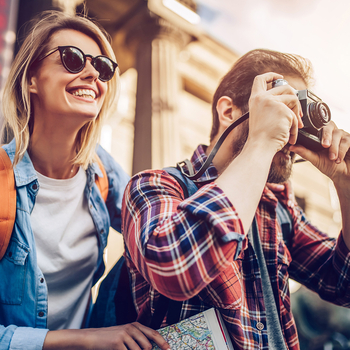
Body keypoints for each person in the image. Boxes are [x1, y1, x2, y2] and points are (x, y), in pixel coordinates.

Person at [122, 48, 350, 349]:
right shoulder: (156, 185)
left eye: (297, 117)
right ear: (228, 111)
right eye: (282, 110)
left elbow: (343, 285)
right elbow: (175, 268)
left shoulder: (278, 208)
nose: (290, 132)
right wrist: (262, 141)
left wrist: (345, 183)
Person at [0, 10, 169, 350]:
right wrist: (82, 340)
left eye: (103, 67)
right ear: (33, 79)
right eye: (72, 59)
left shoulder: (102, 171)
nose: (93, 73)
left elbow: (164, 239)